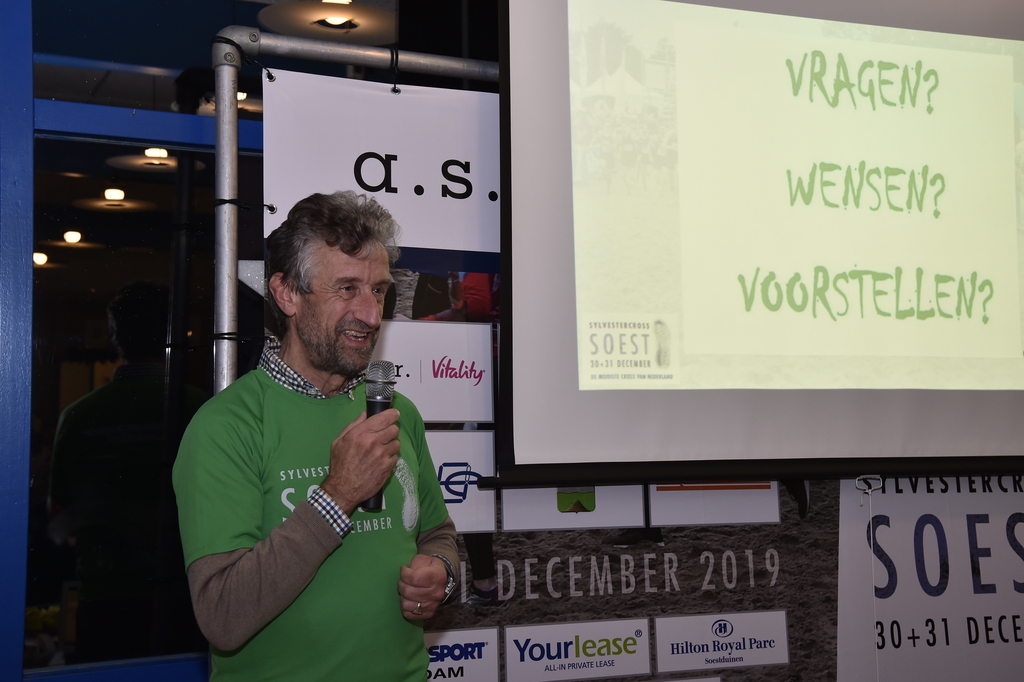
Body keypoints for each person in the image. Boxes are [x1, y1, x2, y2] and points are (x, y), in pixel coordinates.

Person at [172, 191, 458, 681]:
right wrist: (338, 494)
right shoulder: (227, 427)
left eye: (379, 291)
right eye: (347, 288)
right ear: (286, 293)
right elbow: (222, 615)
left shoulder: (396, 411)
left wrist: (441, 573)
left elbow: (438, 534)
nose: (371, 315)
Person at [48, 281, 207, 662]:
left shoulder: (78, 416)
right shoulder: (202, 408)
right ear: (173, 333)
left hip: (106, 596)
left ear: (114, 333)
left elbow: (59, 518)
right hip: (185, 591)